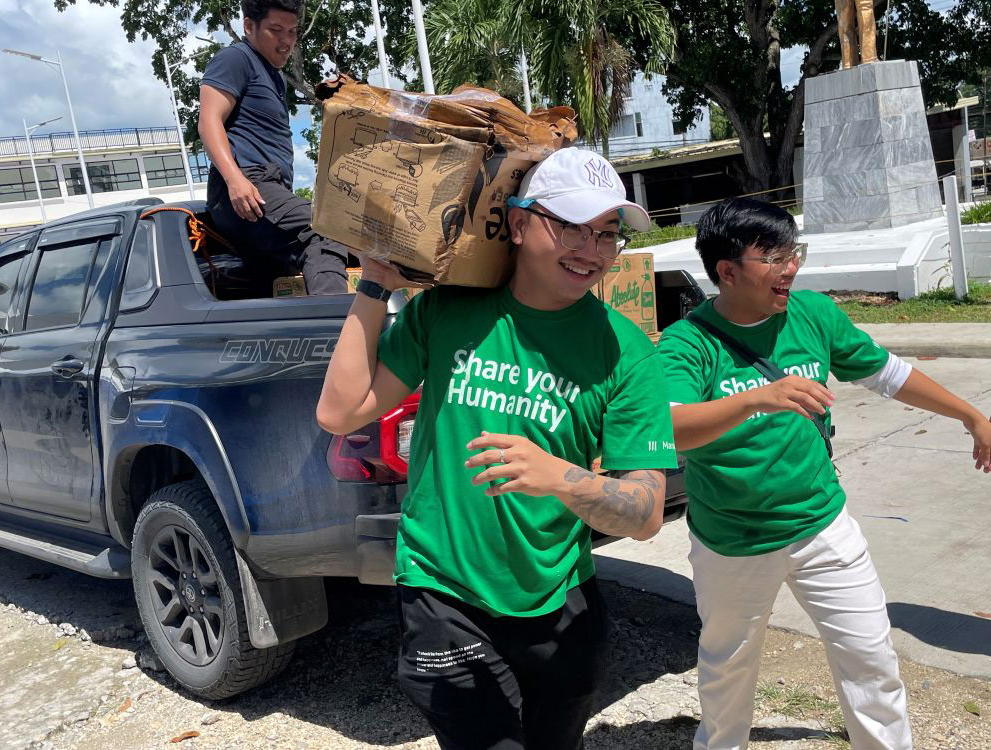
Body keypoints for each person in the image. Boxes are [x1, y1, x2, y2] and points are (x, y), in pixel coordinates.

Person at [316, 147, 679, 749]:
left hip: (560, 600)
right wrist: (375, 284)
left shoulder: (627, 354)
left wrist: (559, 477)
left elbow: (644, 513)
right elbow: (339, 410)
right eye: (571, 226)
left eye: (607, 234)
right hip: (443, 591)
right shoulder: (448, 311)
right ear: (516, 223)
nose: (591, 250)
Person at [655, 197, 991, 750]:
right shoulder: (688, 343)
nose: (790, 268)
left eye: (793, 252)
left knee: (871, 660)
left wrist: (970, 415)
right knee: (727, 671)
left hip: (823, 525)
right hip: (733, 543)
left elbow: (890, 374)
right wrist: (757, 399)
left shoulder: (813, 314)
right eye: (773, 256)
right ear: (727, 271)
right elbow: (672, 427)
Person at [198, 0, 349, 294]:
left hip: (265, 189)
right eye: (276, 30)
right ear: (248, 26)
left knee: (281, 272)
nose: (287, 41)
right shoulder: (236, 59)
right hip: (246, 185)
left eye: (293, 32)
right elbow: (208, 121)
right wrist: (235, 179)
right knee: (324, 228)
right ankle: (338, 329)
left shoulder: (274, 76)